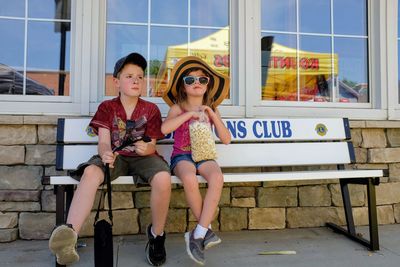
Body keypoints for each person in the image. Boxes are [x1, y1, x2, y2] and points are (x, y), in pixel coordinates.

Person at [48, 52, 172, 266]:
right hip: (115, 157)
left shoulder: (150, 109)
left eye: (140, 77)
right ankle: (69, 238)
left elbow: (152, 143)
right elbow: (104, 141)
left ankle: (157, 236)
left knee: (163, 178)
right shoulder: (108, 107)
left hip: (143, 158)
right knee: (91, 172)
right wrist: (105, 153)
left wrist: (146, 148)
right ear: (116, 81)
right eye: (129, 76)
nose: (135, 80)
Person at [161, 56, 231, 265]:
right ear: (183, 86)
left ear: (208, 85)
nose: (197, 83)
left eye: (202, 80)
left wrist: (212, 113)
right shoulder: (177, 108)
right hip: (182, 155)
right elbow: (164, 130)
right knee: (190, 179)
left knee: (217, 177)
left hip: (205, 155)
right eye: (190, 80)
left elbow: (226, 139)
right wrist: (189, 114)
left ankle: (198, 233)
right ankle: (206, 230)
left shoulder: (212, 110)